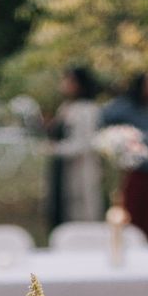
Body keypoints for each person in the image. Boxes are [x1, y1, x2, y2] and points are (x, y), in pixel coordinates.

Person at [101, 73, 148, 242]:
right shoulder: (125, 106)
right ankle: (126, 239)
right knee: (129, 207)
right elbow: (106, 118)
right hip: (131, 168)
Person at [46, 67, 103, 226]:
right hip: (62, 169)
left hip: (80, 170)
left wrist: (55, 149)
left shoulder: (87, 110)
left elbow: (84, 144)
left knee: (80, 211)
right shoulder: (65, 107)